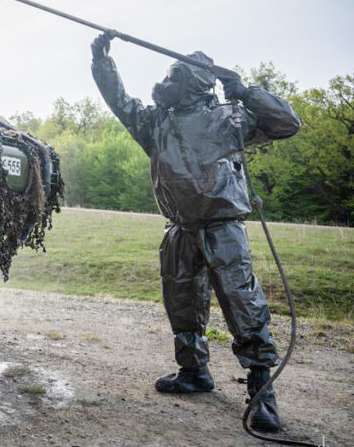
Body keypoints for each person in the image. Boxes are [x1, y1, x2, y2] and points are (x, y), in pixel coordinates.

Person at [89, 31, 300, 433]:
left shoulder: (229, 118)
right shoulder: (155, 124)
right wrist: (102, 61)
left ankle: (262, 395)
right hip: (180, 229)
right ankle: (193, 372)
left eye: (173, 77)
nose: (164, 83)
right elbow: (120, 101)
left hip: (223, 229)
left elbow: (287, 123)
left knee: (244, 307)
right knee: (182, 304)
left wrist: (246, 92)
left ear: (192, 84)